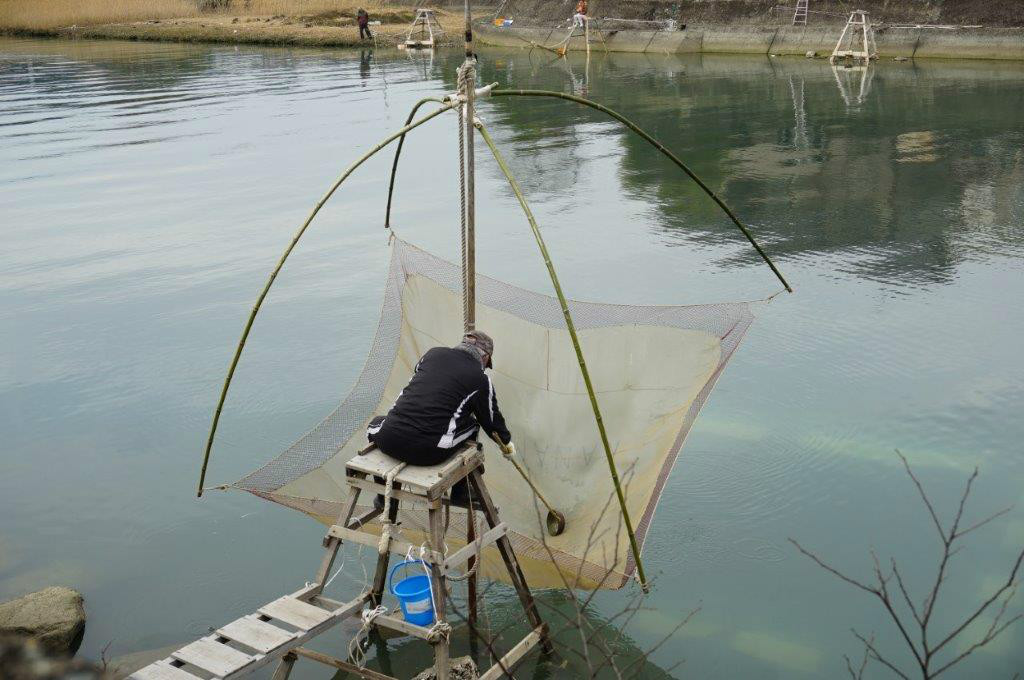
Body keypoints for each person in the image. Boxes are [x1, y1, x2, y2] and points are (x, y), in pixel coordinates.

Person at [366, 330, 515, 504]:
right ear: (485, 357)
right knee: (473, 425)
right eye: (487, 363)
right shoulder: (481, 380)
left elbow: (424, 381)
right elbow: (491, 421)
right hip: (429, 452)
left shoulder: (432, 354)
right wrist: (506, 444)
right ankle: (461, 492)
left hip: (389, 440)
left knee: (374, 424)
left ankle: (385, 499)